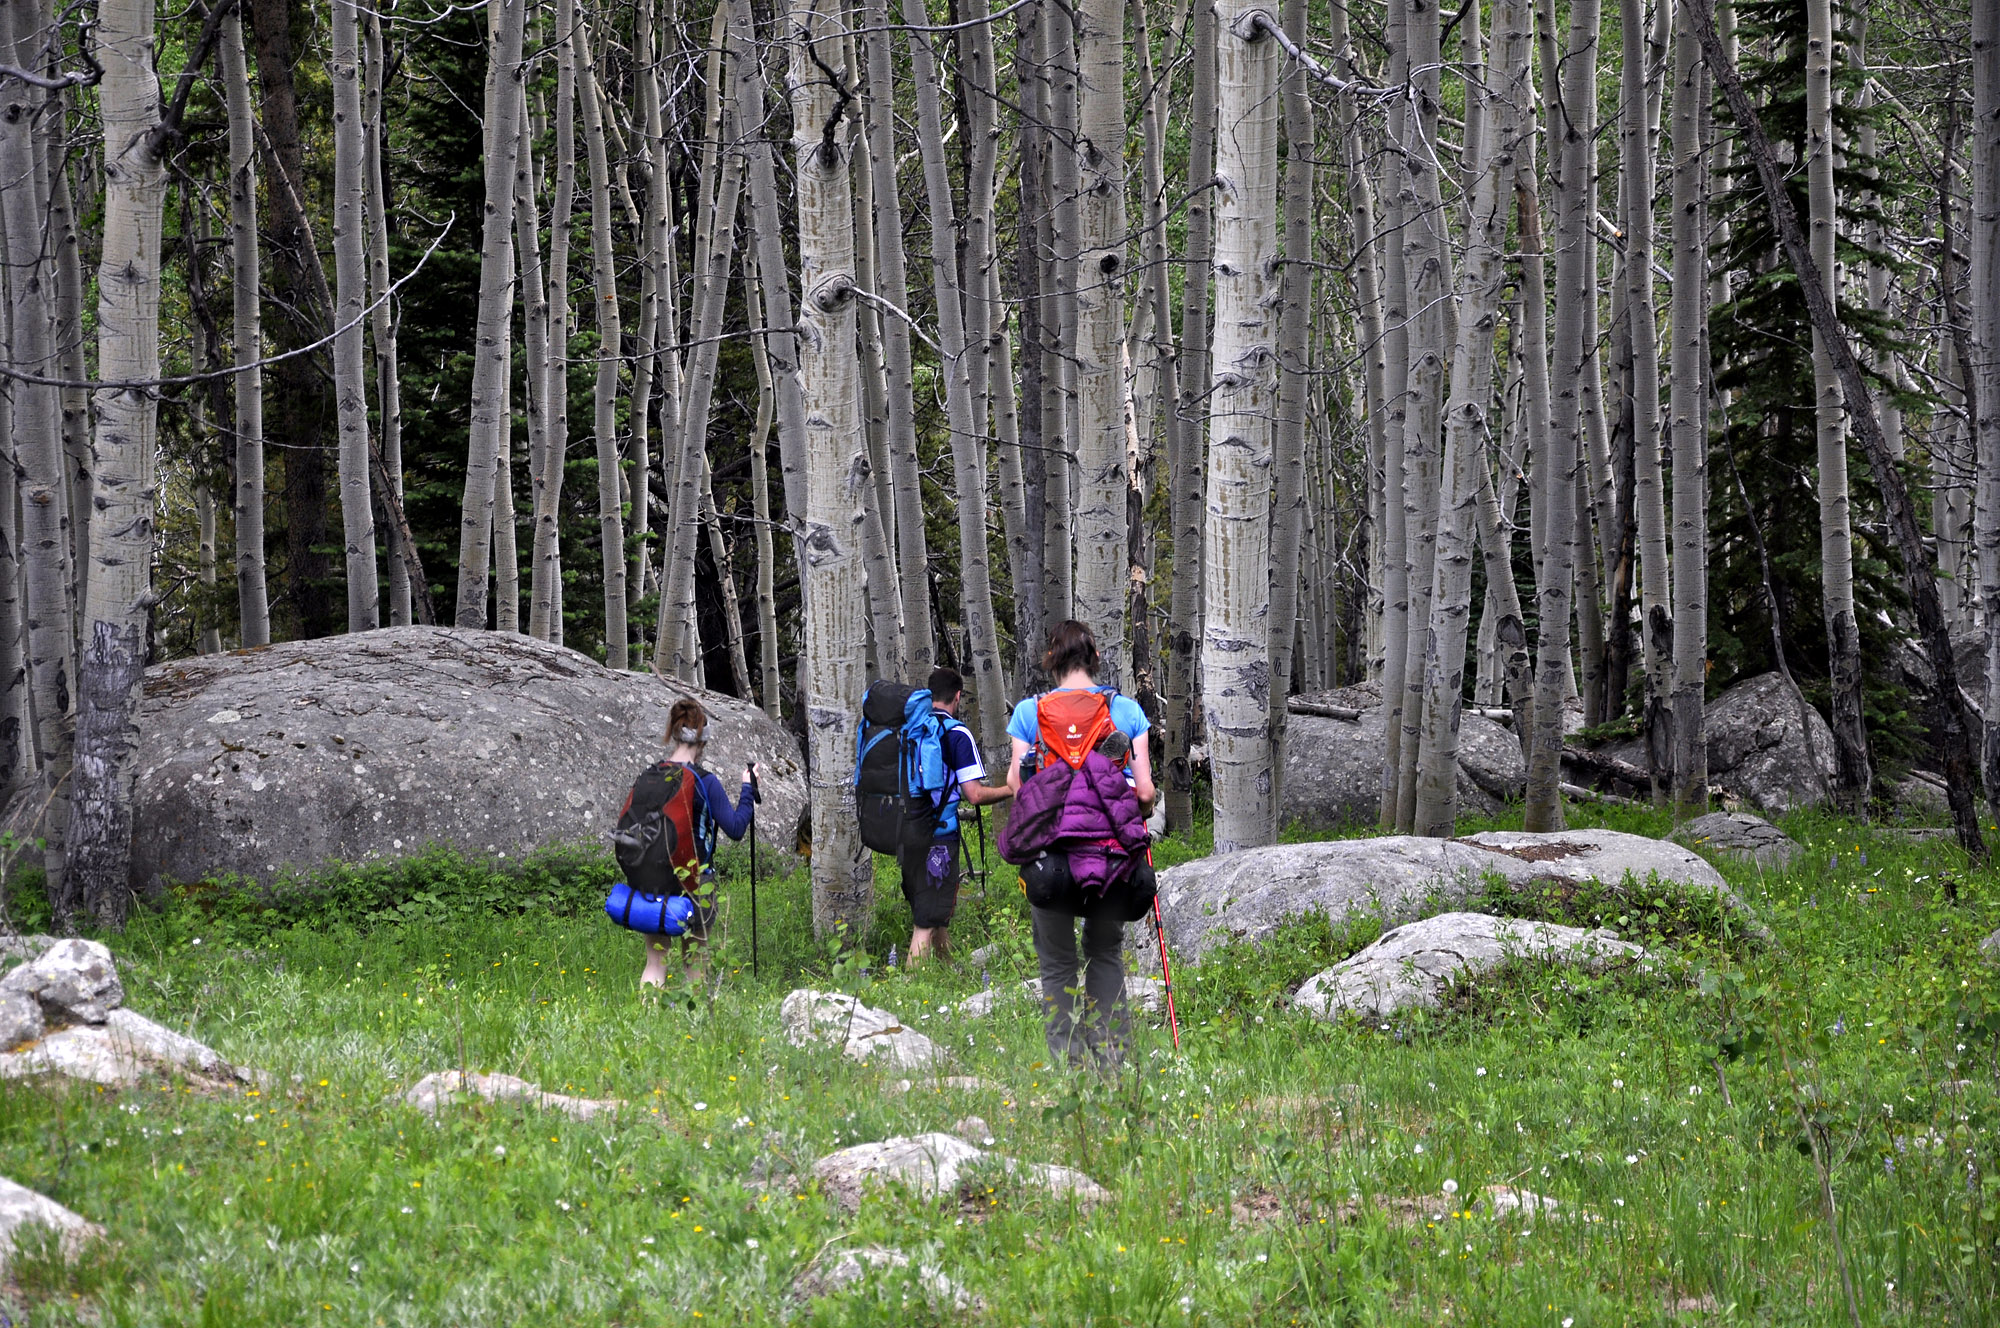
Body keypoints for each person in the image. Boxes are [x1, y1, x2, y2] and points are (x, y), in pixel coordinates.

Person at [1003, 621, 1156, 1071]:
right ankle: (1114, 1061)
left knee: (1056, 963)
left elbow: (1016, 786)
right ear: (1094, 659)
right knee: (1104, 952)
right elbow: (1144, 793)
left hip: (1051, 857)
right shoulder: (1126, 711)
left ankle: (1070, 1069)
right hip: (1110, 858)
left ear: (1053, 660)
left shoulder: (1029, 713)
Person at [620, 698, 758, 989]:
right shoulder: (705, 781)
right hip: (696, 881)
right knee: (694, 962)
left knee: (655, 960)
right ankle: (693, 1027)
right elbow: (735, 828)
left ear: (671, 732)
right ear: (703, 737)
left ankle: (644, 1025)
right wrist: (748, 789)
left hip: (653, 879)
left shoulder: (652, 775)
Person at [903, 666, 1013, 964]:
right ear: (958, 696)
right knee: (925, 920)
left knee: (935, 909)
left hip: (905, 833)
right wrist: (1010, 790)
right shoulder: (957, 733)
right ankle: (909, 989)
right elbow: (974, 795)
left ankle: (948, 967)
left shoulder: (912, 729)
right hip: (939, 836)